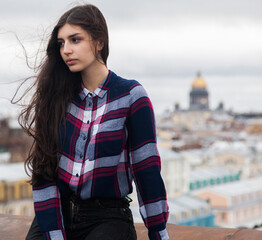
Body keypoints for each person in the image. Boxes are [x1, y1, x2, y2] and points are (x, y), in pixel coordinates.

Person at [18, 4, 169, 240]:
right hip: (58, 212)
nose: (66, 50)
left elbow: (146, 169)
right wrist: (54, 233)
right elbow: (44, 171)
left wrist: (158, 231)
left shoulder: (130, 95)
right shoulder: (57, 96)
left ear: (99, 42)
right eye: (61, 43)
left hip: (108, 218)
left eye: (75, 40)